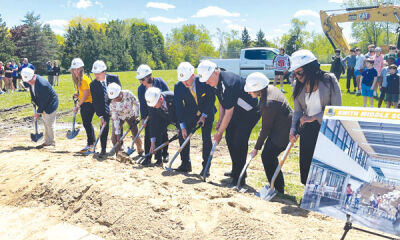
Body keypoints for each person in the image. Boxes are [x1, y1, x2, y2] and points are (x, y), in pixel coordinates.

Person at [198, 60, 261, 187]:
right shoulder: (215, 83)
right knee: (230, 138)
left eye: (208, 79)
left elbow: (229, 112)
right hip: (237, 111)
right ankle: (235, 170)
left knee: (239, 141)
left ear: (215, 73)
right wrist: (220, 121)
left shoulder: (229, 83)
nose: (206, 82)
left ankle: (240, 177)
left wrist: (220, 132)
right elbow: (222, 103)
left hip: (249, 112)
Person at [289, 49, 342, 185]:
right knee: (307, 163)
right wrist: (293, 129)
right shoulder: (297, 85)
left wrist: (314, 117)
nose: (297, 76)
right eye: (294, 73)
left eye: (299, 72)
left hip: (327, 129)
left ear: (310, 68)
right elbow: (298, 112)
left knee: (324, 164)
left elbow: (336, 109)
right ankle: (308, 194)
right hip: (307, 130)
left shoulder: (329, 80)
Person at [245, 72, 292, 194]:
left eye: (250, 90)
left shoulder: (268, 102)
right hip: (280, 127)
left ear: (257, 88)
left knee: (267, 156)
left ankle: (277, 188)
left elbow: (265, 129)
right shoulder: (269, 89)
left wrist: (256, 148)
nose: (249, 93)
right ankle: (276, 185)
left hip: (283, 132)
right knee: (269, 156)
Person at [174, 62, 216, 173]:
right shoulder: (178, 86)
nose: (184, 83)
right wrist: (182, 126)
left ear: (193, 76)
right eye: (182, 80)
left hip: (207, 113)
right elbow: (179, 107)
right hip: (190, 113)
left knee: (206, 138)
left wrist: (204, 116)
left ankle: (206, 168)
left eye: (187, 80)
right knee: (183, 135)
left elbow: (211, 99)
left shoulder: (204, 82)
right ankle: (185, 164)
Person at [137, 64, 170, 165]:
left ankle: (163, 154)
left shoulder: (160, 82)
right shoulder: (141, 89)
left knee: (162, 133)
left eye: (142, 80)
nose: (141, 82)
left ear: (148, 76)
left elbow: (167, 97)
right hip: (150, 113)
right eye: (140, 80)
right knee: (149, 133)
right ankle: (148, 156)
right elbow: (142, 104)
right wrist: (143, 118)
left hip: (162, 112)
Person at [90, 60, 122, 157]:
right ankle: (103, 149)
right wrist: (100, 116)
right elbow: (95, 102)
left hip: (116, 107)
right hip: (103, 109)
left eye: (98, 73)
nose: (96, 75)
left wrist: (114, 108)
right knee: (103, 128)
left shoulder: (114, 78)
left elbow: (119, 94)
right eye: (95, 73)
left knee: (118, 128)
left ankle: (119, 149)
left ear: (104, 71)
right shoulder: (93, 85)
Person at [21, 67, 58, 148]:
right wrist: (34, 101)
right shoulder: (31, 81)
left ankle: (52, 142)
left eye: (30, 81)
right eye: (28, 81)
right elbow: (33, 93)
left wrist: (38, 112)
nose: (29, 83)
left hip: (50, 104)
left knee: (49, 123)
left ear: (33, 76)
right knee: (45, 122)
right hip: (44, 103)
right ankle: (47, 141)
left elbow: (44, 101)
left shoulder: (42, 84)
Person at [107, 83, 143, 157]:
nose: (116, 99)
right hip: (119, 117)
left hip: (131, 114)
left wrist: (136, 116)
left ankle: (140, 150)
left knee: (135, 133)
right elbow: (115, 119)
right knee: (114, 136)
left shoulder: (128, 94)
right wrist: (118, 136)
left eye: (117, 97)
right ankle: (119, 153)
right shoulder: (112, 103)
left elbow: (136, 103)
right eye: (114, 98)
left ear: (120, 92)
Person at [145, 87, 179, 166]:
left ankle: (185, 163)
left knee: (182, 137)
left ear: (160, 99)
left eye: (154, 104)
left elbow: (180, 113)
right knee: (158, 133)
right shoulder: (152, 104)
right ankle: (159, 159)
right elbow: (153, 123)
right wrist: (152, 143)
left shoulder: (173, 97)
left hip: (176, 116)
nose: (153, 107)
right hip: (162, 117)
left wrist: (180, 128)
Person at [70, 58, 95, 153]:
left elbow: (85, 95)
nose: (75, 71)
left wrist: (78, 105)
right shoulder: (78, 79)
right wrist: (77, 95)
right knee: (87, 123)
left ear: (81, 69)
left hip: (88, 103)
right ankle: (92, 142)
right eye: (74, 69)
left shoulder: (84, 79)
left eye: (77, 69)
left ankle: (91, 144)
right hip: (85, 102)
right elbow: (82, 93)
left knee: (87, 123)